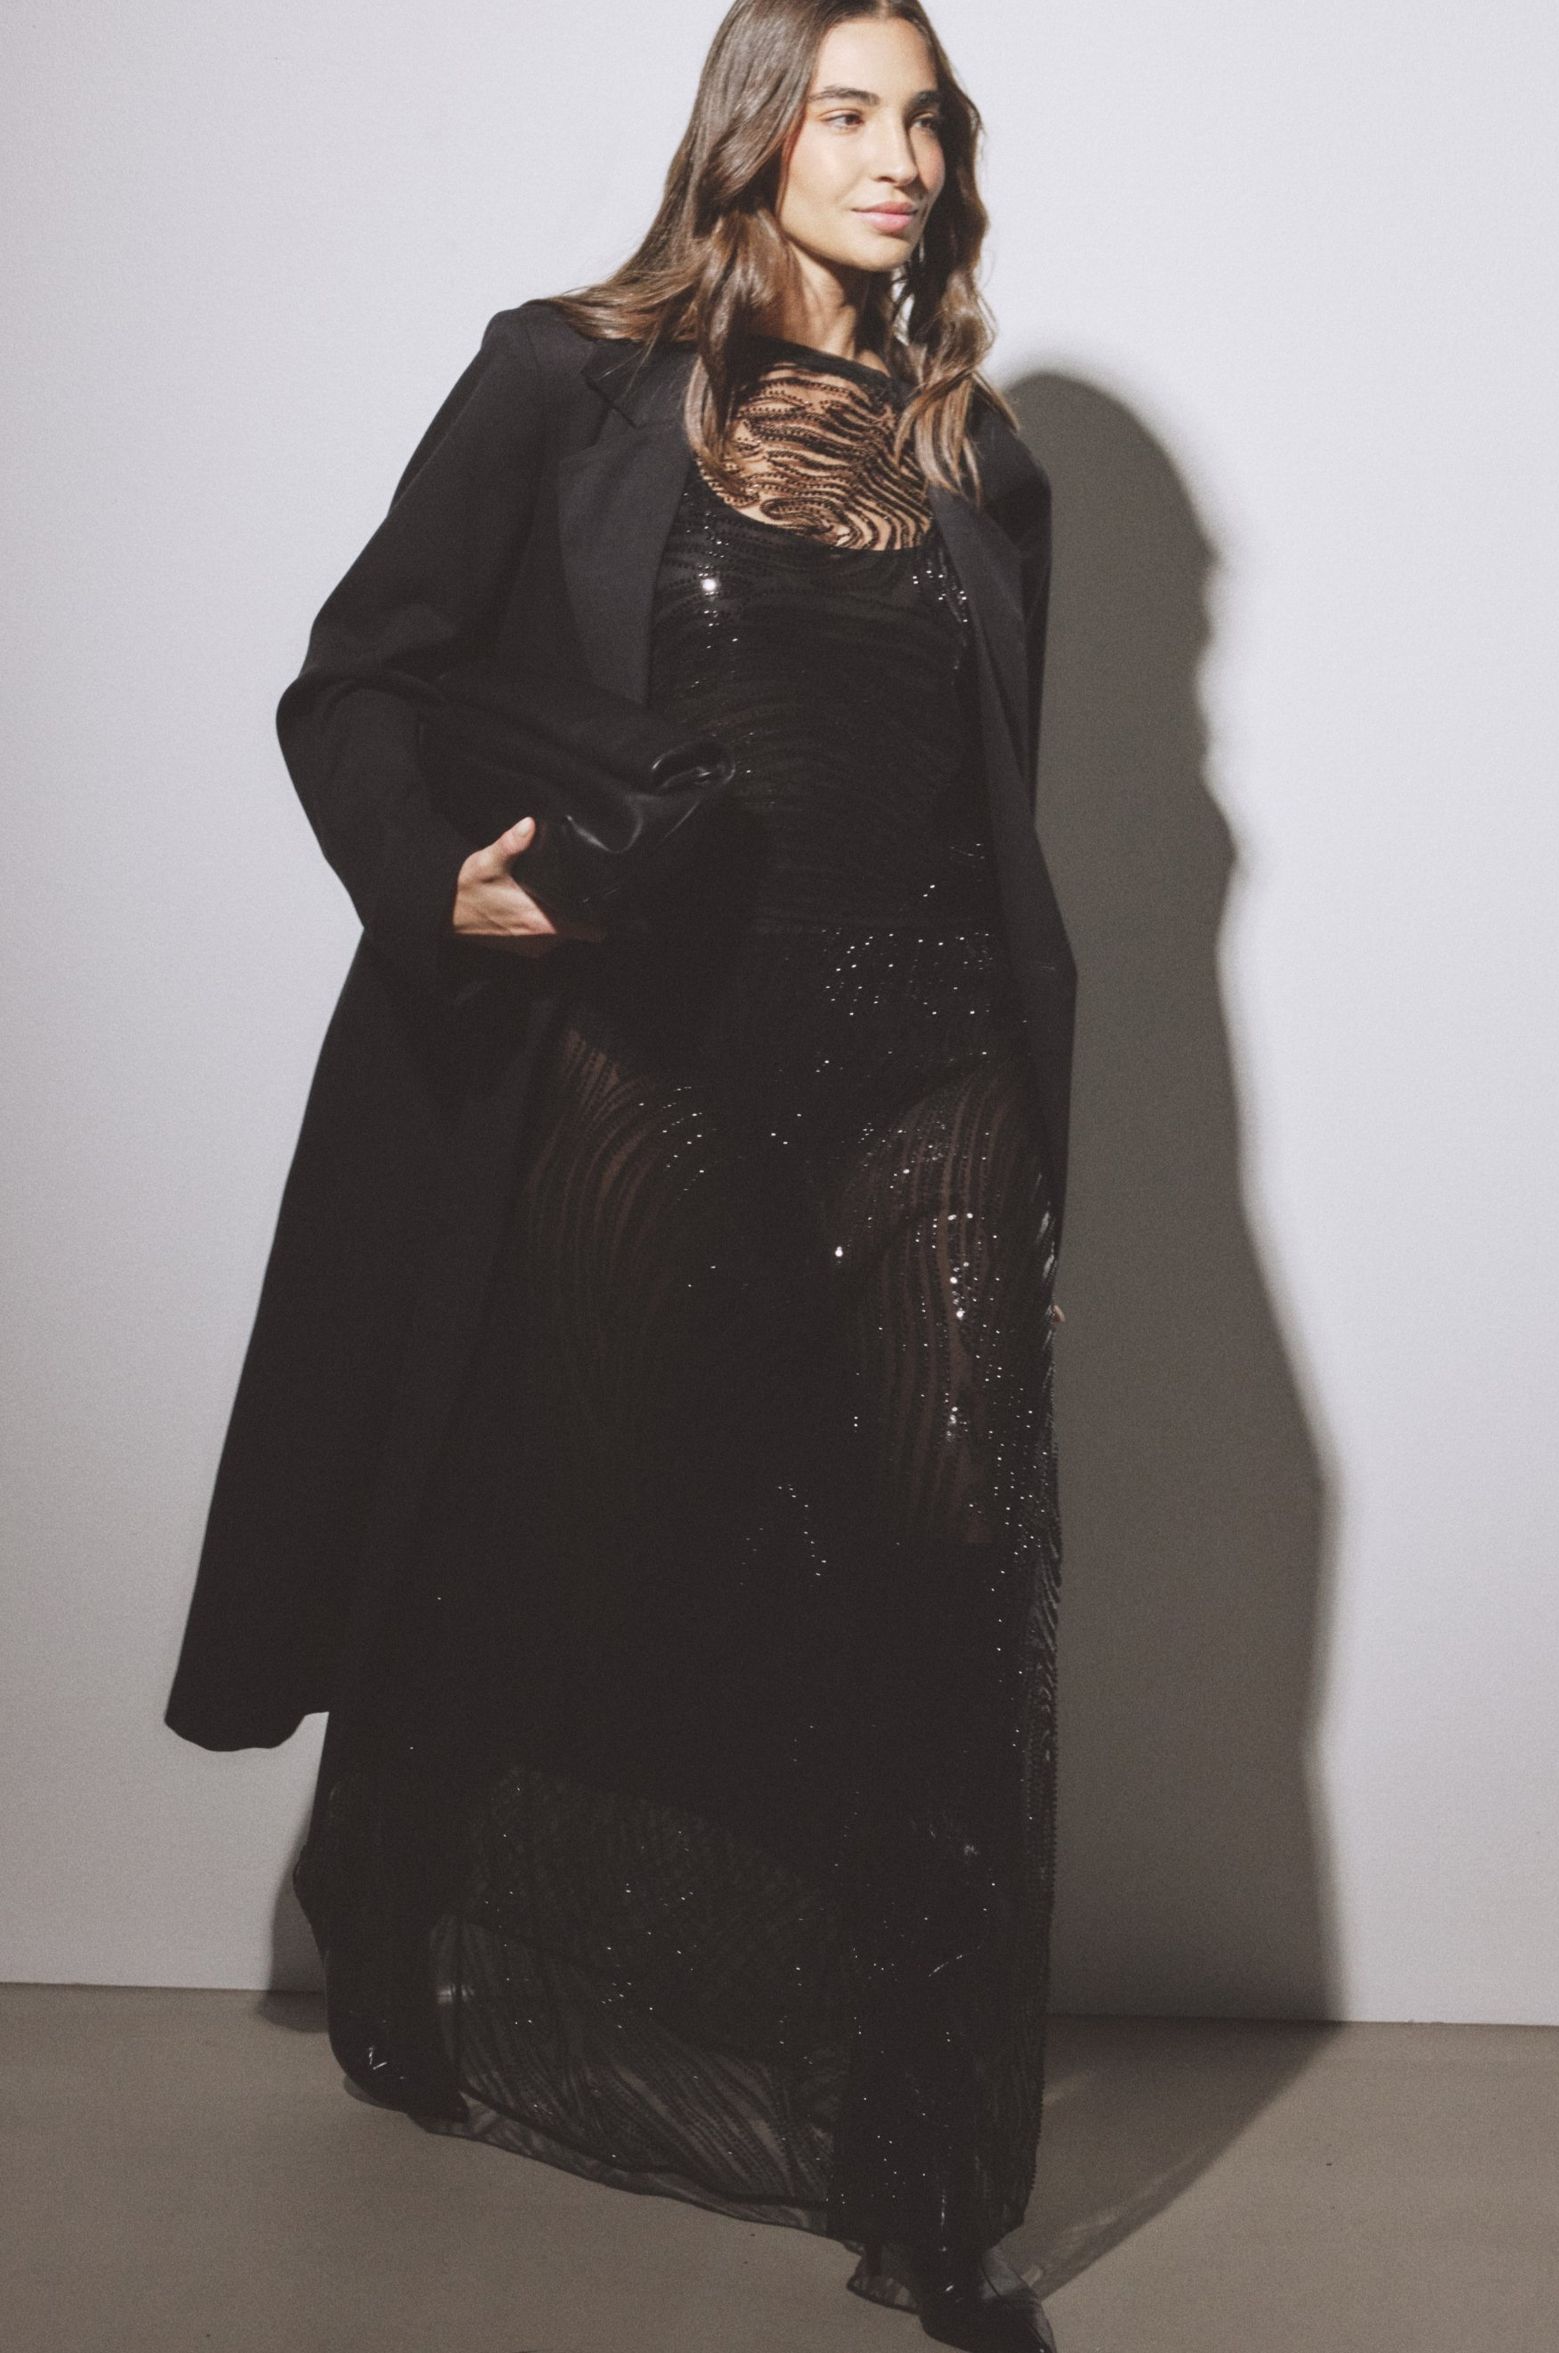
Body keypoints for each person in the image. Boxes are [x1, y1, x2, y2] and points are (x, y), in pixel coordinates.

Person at [165, 2, 1076, 2346]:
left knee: (952, 1546)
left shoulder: (981, 464)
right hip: (644, 1053)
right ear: (756, 132)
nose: (900, 154)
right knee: (585, 1509)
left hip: (932, 1077)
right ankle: (421, 1901)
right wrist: (434, 881)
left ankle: (927, 2169)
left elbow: (979, 810)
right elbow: (359, 675)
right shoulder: (563, 382)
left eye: (927, 116)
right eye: (851, 111)